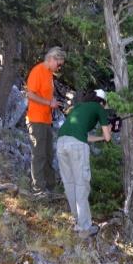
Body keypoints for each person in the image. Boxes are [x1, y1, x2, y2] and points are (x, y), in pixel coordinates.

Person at [56, 89, 111, 239]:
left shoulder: (79, 107)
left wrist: (100, 137)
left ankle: (78, 222)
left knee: (70, 184)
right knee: (81, 184)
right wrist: (109, 131)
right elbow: (108, 137)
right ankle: (85, 227)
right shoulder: (99, 108)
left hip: (61, 143)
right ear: (102, 101)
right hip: (77, 146)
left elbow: (84, 136)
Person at [26, 46, 66, 194]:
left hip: (46, 120)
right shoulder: (38, 71)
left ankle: (51, 186)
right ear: (51, 59)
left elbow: (44, 95)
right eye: (59, 63)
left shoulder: (49, 74)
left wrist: (53, 101)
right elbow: (30, 94)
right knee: (39, 154)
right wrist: (49, 103)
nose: (59, 67)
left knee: (48, 154)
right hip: (36, 120)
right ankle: (38, 189)